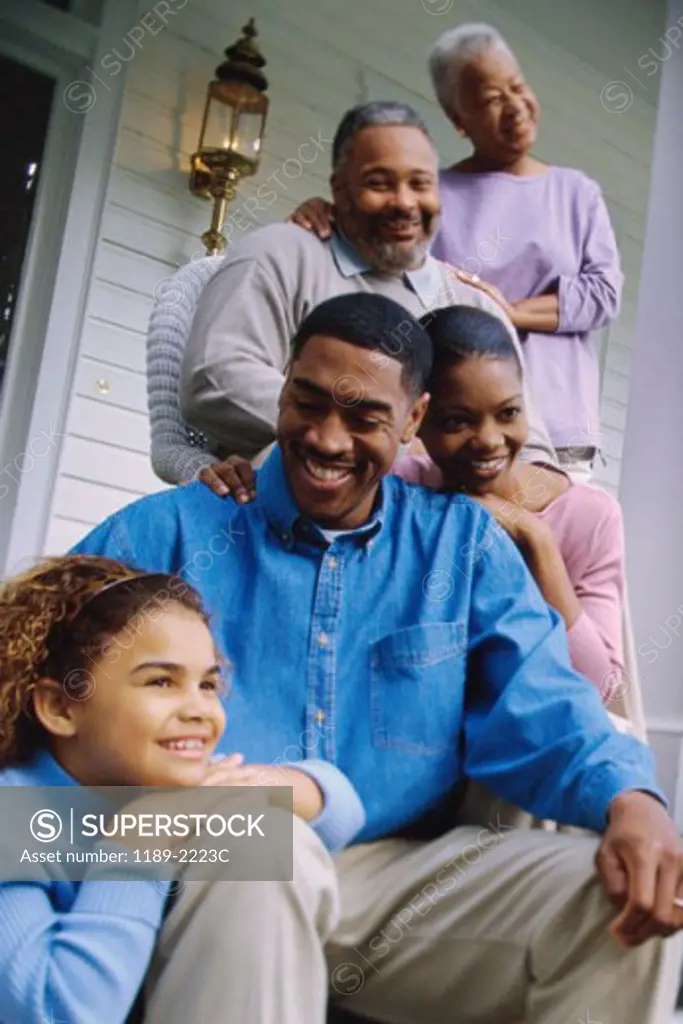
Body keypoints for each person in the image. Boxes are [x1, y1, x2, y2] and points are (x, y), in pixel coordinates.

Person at [71, 293, 681, 1024]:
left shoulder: (460, 547)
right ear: (285, 388)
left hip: (397, 883)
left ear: (412, 422)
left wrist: (634, 803)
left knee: (615, 904)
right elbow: (29, 719)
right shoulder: (164, 535)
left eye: (364, 417)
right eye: (308, 402)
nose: (328, 439)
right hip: (200, 871)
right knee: (272, 843)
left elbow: (546, 709)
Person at [0, 554, 364, 1024]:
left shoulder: (158, 781)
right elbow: (57, 1009)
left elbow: (341, 808)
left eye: (208, 684)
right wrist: (138, 842)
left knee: (268, 837)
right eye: (161, 681)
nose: (199, 710)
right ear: (59, 708)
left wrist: (244, 785)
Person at [216, 304, 625, 702]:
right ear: (416, 420)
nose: (488, 439)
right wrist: (237, 476)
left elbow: (595, 685)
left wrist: (536, 539)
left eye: (508, 412)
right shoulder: (398, 486)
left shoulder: (591, 516)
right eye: (456, 421)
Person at [288, 25, 623, 482]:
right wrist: (327, 210)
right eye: (490, 99)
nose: (515, 107)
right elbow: (393, 267)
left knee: (539, 537)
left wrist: (507, 313)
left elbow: (604, 293)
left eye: (518, 87)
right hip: (450, 428)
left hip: (557, 424)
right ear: (458, 120)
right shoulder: (431, 194)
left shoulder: (576, 193)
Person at [177, 99, 555, 474]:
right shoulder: (278, 254)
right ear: (340, 190)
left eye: (420, 184)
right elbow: (213, 378)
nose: (404, 203)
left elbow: (532, 454)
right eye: (379, 183)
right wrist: (392, 443)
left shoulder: (477, 306)